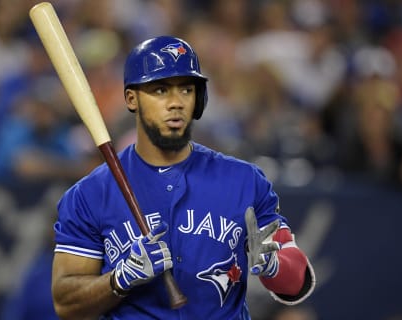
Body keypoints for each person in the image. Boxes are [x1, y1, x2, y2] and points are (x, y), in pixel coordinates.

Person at [51, 36, 316, 319]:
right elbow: (66, 303)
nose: (175, 103)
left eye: (186, 90)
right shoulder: (91, 193)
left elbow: (298, 283)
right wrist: (119, 279)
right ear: (132, 98)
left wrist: (276, 266)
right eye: (160, 90)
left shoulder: (244, 181)